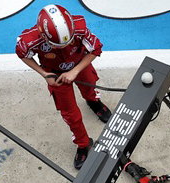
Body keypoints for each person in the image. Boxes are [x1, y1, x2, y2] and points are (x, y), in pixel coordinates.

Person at [14, 4, 111, 170]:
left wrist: (75, 71)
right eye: (58, 45)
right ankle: (83, 144)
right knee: (70, 114)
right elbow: (22, 54)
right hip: (56, 76)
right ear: (43, 36)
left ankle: (93, 101)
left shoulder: (79, 27)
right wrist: (44, 74)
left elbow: (96, 48)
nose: (65, 47)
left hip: (80, 65)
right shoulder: (29, 40)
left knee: (90, 85)